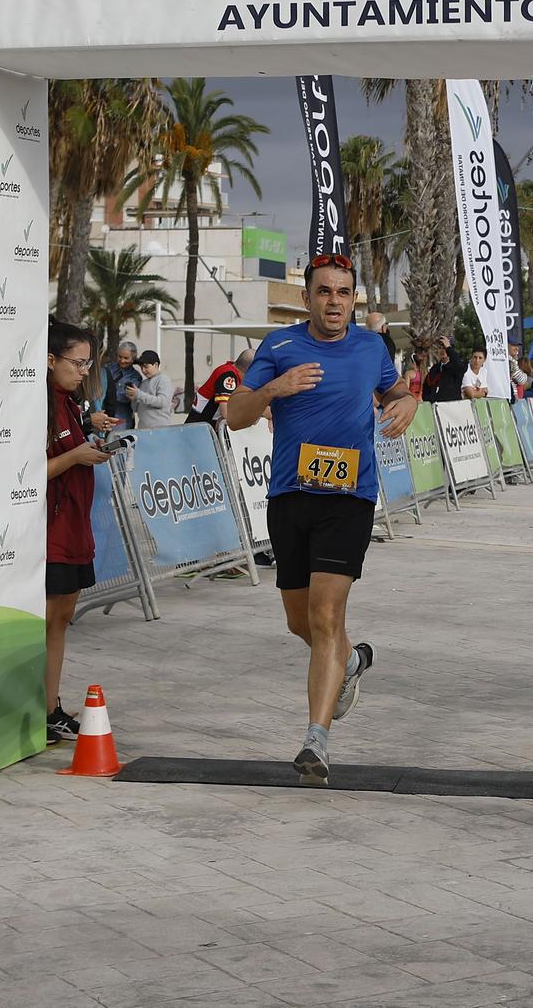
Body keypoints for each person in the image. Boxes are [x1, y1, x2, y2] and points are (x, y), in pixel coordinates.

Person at [228, 254, 420, 785]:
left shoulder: (370, 346)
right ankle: (350, 665)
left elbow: (395, 391)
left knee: (325, 616)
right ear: (308, 297)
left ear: (353, 299)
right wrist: (273, 390)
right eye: (324, 292)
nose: (334, 301)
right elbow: (234, 414)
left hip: (349, 497)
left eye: (343, 292)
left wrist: (408, 404)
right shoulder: (279, 347)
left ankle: (316, 740)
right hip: (291, 495)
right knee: (300, 621)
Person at [46, 319, 115, 745]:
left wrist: (91, 443)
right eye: (78, 362)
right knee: (48, 620)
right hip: (50, 533)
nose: (84, 371)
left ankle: (49, 707)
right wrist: (76, 456)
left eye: (89, 364)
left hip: (74, 529)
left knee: (62, 620)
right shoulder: (38, 404)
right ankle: (38, 707)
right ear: (50, 359)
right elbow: (30, 474)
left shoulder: (70, 402)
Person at [189, 350, 249, 424]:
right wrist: (249, 418)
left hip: (204, 425)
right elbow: (225, 413)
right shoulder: (228, 375)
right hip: (200, 426)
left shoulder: (232, 371)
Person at [124, 350, 177, 429]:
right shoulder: (144, 383)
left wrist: (139, 394)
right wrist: (134, 398)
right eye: (141, 367)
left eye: (146, 366)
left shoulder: (163, 380)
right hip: (143, 429)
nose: (143, 370)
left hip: (160, 429)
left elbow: (162, 402)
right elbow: (135, 409)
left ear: (156, 365)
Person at [99, 340, 139, 428]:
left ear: (133, 358)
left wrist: (108, 393)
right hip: (102, 413)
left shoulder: (135, 377)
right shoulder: (108, 368)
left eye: (126, 358)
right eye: (120, 357)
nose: (122, 360)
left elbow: (127, 397)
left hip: (121, 418)